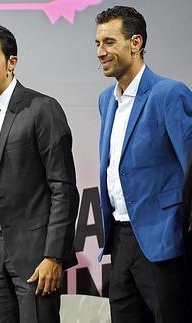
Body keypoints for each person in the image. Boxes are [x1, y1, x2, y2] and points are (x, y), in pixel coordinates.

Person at [0, 25, 79, 322]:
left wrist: (54, 256)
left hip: (34, 252)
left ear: (11, 62)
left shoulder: (41, 108)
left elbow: (63, 187)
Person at [95, 6, 192, 322]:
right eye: (97, 44)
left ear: (135, 43)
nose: (101, 52)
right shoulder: (105, 100)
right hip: (120, 242)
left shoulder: (169, 93)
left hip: (164, 242)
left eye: (109, 42)